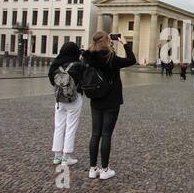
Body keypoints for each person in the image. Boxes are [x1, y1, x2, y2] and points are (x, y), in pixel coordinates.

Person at [82, 31, 136, 180]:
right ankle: (105, 170)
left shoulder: (87, 57)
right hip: (111, 100)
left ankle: (93, 169)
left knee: (95, 134)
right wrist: (124, 43)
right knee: (106, 134)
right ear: (107, 41)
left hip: (96, 99)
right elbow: (132, 60)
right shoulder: (111, 58)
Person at [48, 42, 84, 166]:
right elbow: (84, 79)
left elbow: (52, 79)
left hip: (59, 99)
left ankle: (56, 156)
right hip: (75, 98)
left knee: (58, 126)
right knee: (71, 127)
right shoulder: (78, 65)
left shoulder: (56, 64)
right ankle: (66, 157)